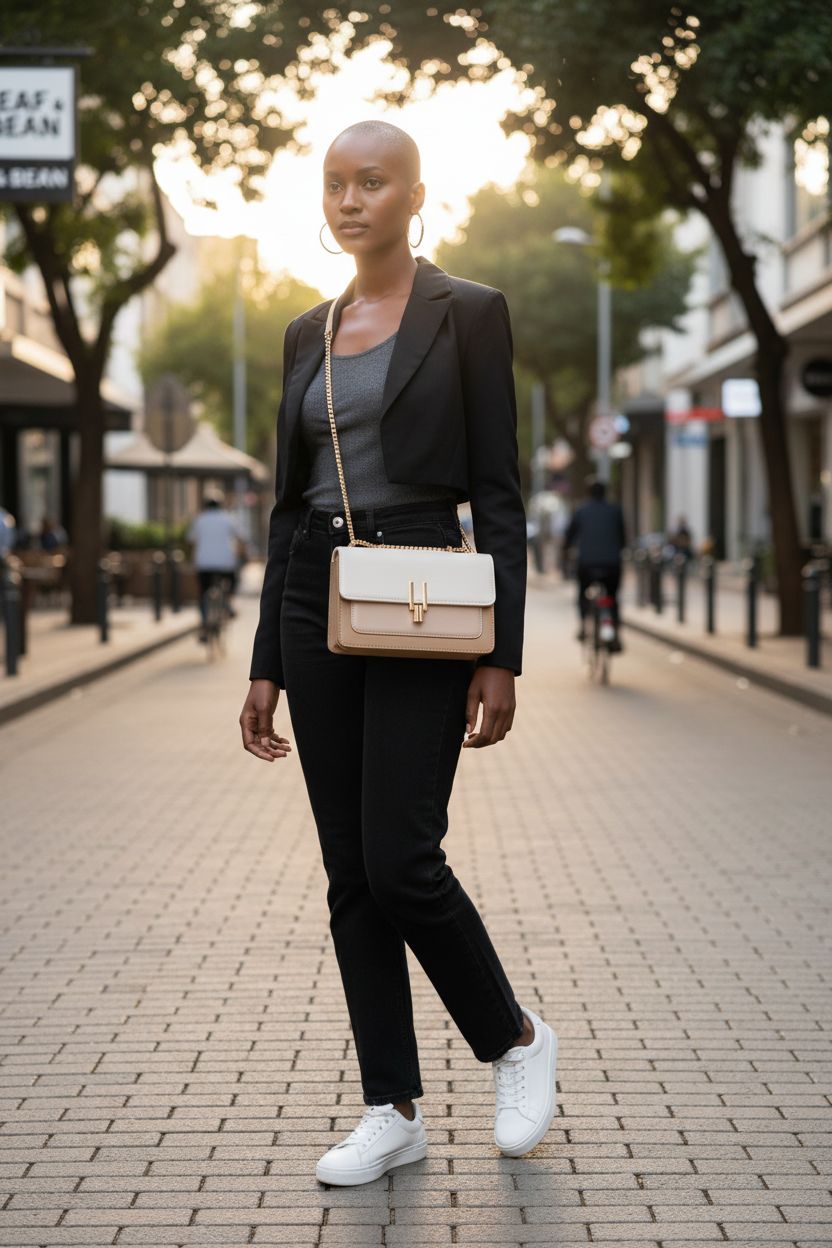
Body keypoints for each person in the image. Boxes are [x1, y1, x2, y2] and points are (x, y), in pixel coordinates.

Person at [240, 120, 558, 1186]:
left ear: (416, 195)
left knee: (401, 858)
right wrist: (263, 665)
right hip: (311, 597)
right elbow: (287, 508)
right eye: (334, 184)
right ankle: (392, 1107)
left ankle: (513, 1037)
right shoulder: (306, 330)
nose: (349, 201)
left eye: (370, 183)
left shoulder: (467, 314)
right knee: (349, 878)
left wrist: (500, 653)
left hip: (424, 588)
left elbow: (499, 494)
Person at [564, 477, 627, 649]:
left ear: (588, 493)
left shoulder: (581, 511)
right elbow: (623, 539)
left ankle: (584, 626)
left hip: (587, 564)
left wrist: (566, 553)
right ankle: (615, 635)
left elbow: (569, 537)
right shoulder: (615, 511)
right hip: (612, 564)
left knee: (582, 594)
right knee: (612, 597)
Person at [187, 489, 246, 639]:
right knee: (233, 580)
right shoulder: (228, 518)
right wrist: (243, 555)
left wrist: (192, 558)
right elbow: (241, 539)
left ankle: (204, 622)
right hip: (225, 562)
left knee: (203, 592)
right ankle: (228, 604)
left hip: (204, 563)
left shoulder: (199, 519)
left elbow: (191, 541)